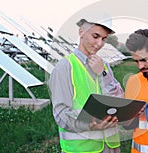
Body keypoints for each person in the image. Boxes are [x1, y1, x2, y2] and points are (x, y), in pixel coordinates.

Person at [49, 18, 124, 153]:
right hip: (82, 149)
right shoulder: (65, 68)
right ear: (81, 32)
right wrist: (90, 124)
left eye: (104, 39)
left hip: (111, 147)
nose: (99, 43)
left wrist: (102, 74)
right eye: (95, 36)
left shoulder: (104, 66)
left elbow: (119, 98)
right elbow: (61, 114)